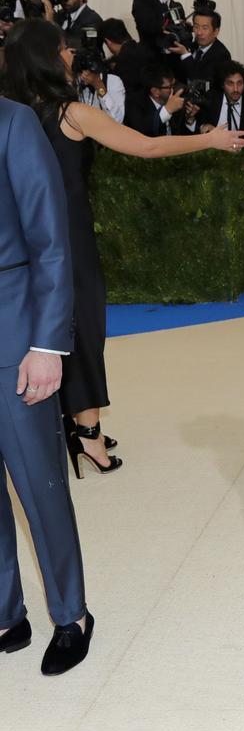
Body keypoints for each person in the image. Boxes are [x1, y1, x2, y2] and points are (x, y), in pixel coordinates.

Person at [1, 19, 244, 477]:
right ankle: (88, 435)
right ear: (47, 57)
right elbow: (147, 147)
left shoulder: (10, 113)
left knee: (38, 332)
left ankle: (64, 425)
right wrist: (211, 139)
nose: (71, 54)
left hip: (19, 247)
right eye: (63, 48)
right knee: (82, 330)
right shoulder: (70, 112)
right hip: (67, 239)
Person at [0, 95, 94, 676]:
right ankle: (7, 613)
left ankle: (71, 613)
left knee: (39, 486)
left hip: (15, 340)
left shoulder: (14, 122)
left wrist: (47, 344)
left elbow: (51, 243)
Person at [198, 61, 244, 148]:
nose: (236, 89)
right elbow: (198, 127)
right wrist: (203, 126)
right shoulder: (211, 100)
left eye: (239, 83)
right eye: (230, 83)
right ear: (223, 85)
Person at [124, 64, 196, 137]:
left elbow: (182, 136)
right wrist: (167, 110)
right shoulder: (134, 103)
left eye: (174, 84)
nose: (174, 89)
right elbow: (142, 131)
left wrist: (189, 120)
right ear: (155, 92)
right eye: (170, 87)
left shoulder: (176, 99)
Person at [173, 10, 230, 87]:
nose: (199, 32)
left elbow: (199, 81)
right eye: (196, 27)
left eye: (205, 28)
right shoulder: (192, 45)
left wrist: (185, 55)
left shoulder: (221, 54)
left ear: (216, 31)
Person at [98, 19, 149, 97]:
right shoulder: (143, 49)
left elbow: (114, 102)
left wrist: (97, 84)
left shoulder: (121, 64)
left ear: (108, 41)